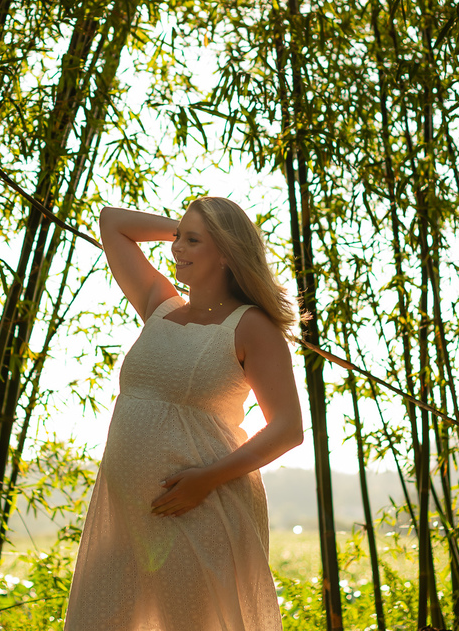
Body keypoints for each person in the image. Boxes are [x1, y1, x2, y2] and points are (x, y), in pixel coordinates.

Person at [64, 197, 304, 631]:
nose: (177, 248)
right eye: (178, 238)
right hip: (125, 518)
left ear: (227, 253)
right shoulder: (161, 305)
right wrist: (188, 230)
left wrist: (206, 479)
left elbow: (288, 429)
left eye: (193, 241)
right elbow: (112, 222)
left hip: (199, 510)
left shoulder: (251, 327)